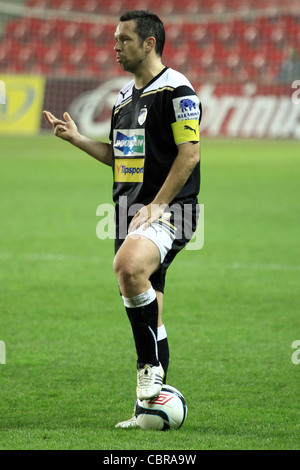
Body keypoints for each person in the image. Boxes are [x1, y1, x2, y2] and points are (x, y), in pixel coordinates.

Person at [43, 10, 201, 429]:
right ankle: (147, 410)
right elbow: (120, 159)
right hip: (129, 216)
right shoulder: (123, 100)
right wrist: (77, 139)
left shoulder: (177, 89)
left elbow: (190, 155)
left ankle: (148, 372)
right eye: (114, 39)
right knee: (150, 309)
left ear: (149, 43)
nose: (115, 46)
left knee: (127, 268)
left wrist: (159, 204)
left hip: (171, 210)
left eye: (123, 39)